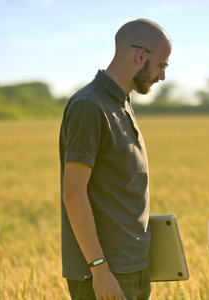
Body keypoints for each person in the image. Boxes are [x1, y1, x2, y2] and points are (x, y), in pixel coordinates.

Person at [59, 18, 171, 300]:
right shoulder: (89, 105)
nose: (162, 76)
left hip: (134, 268)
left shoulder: (121, 102)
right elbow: (73, 193)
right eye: (162, 65)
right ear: (140, 55)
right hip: (107, 275)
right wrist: (100, 270)